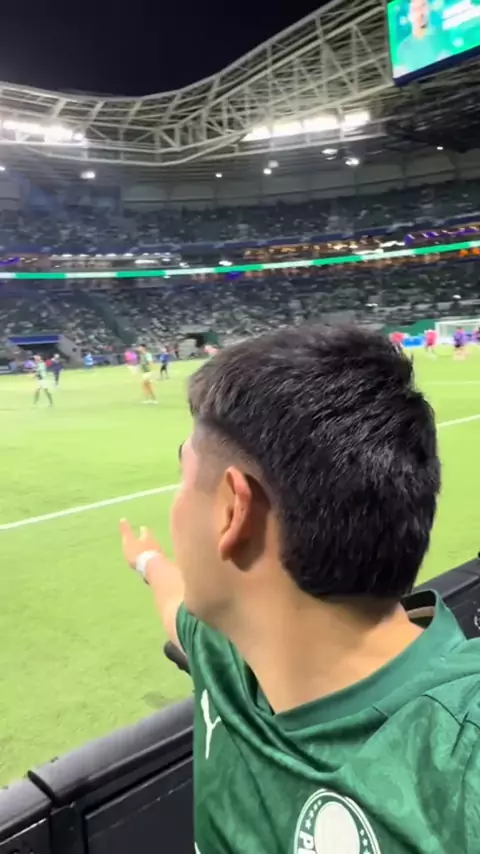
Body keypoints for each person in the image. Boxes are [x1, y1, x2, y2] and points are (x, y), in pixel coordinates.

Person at [120, 325, 480, 854]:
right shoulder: (226, 652)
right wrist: (147, 560)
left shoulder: (465, 751)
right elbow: (175, 603)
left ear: (233, 511)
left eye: (183, 477)